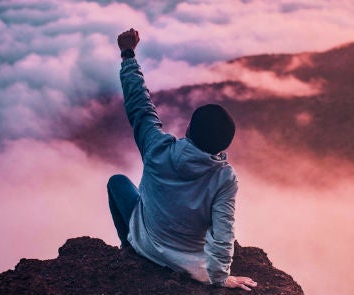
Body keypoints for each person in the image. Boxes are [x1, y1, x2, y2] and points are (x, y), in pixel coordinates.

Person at [107, 28, 257, 291]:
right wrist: (221, 279)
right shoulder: (224, 178)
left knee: (118, 182)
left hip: (146, 244)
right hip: (189, 265)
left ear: (189, 130)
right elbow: (224, 234)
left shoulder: (157, 148)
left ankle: (128, 246)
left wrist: (128, 55)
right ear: (224, 145)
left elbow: (140, 106)